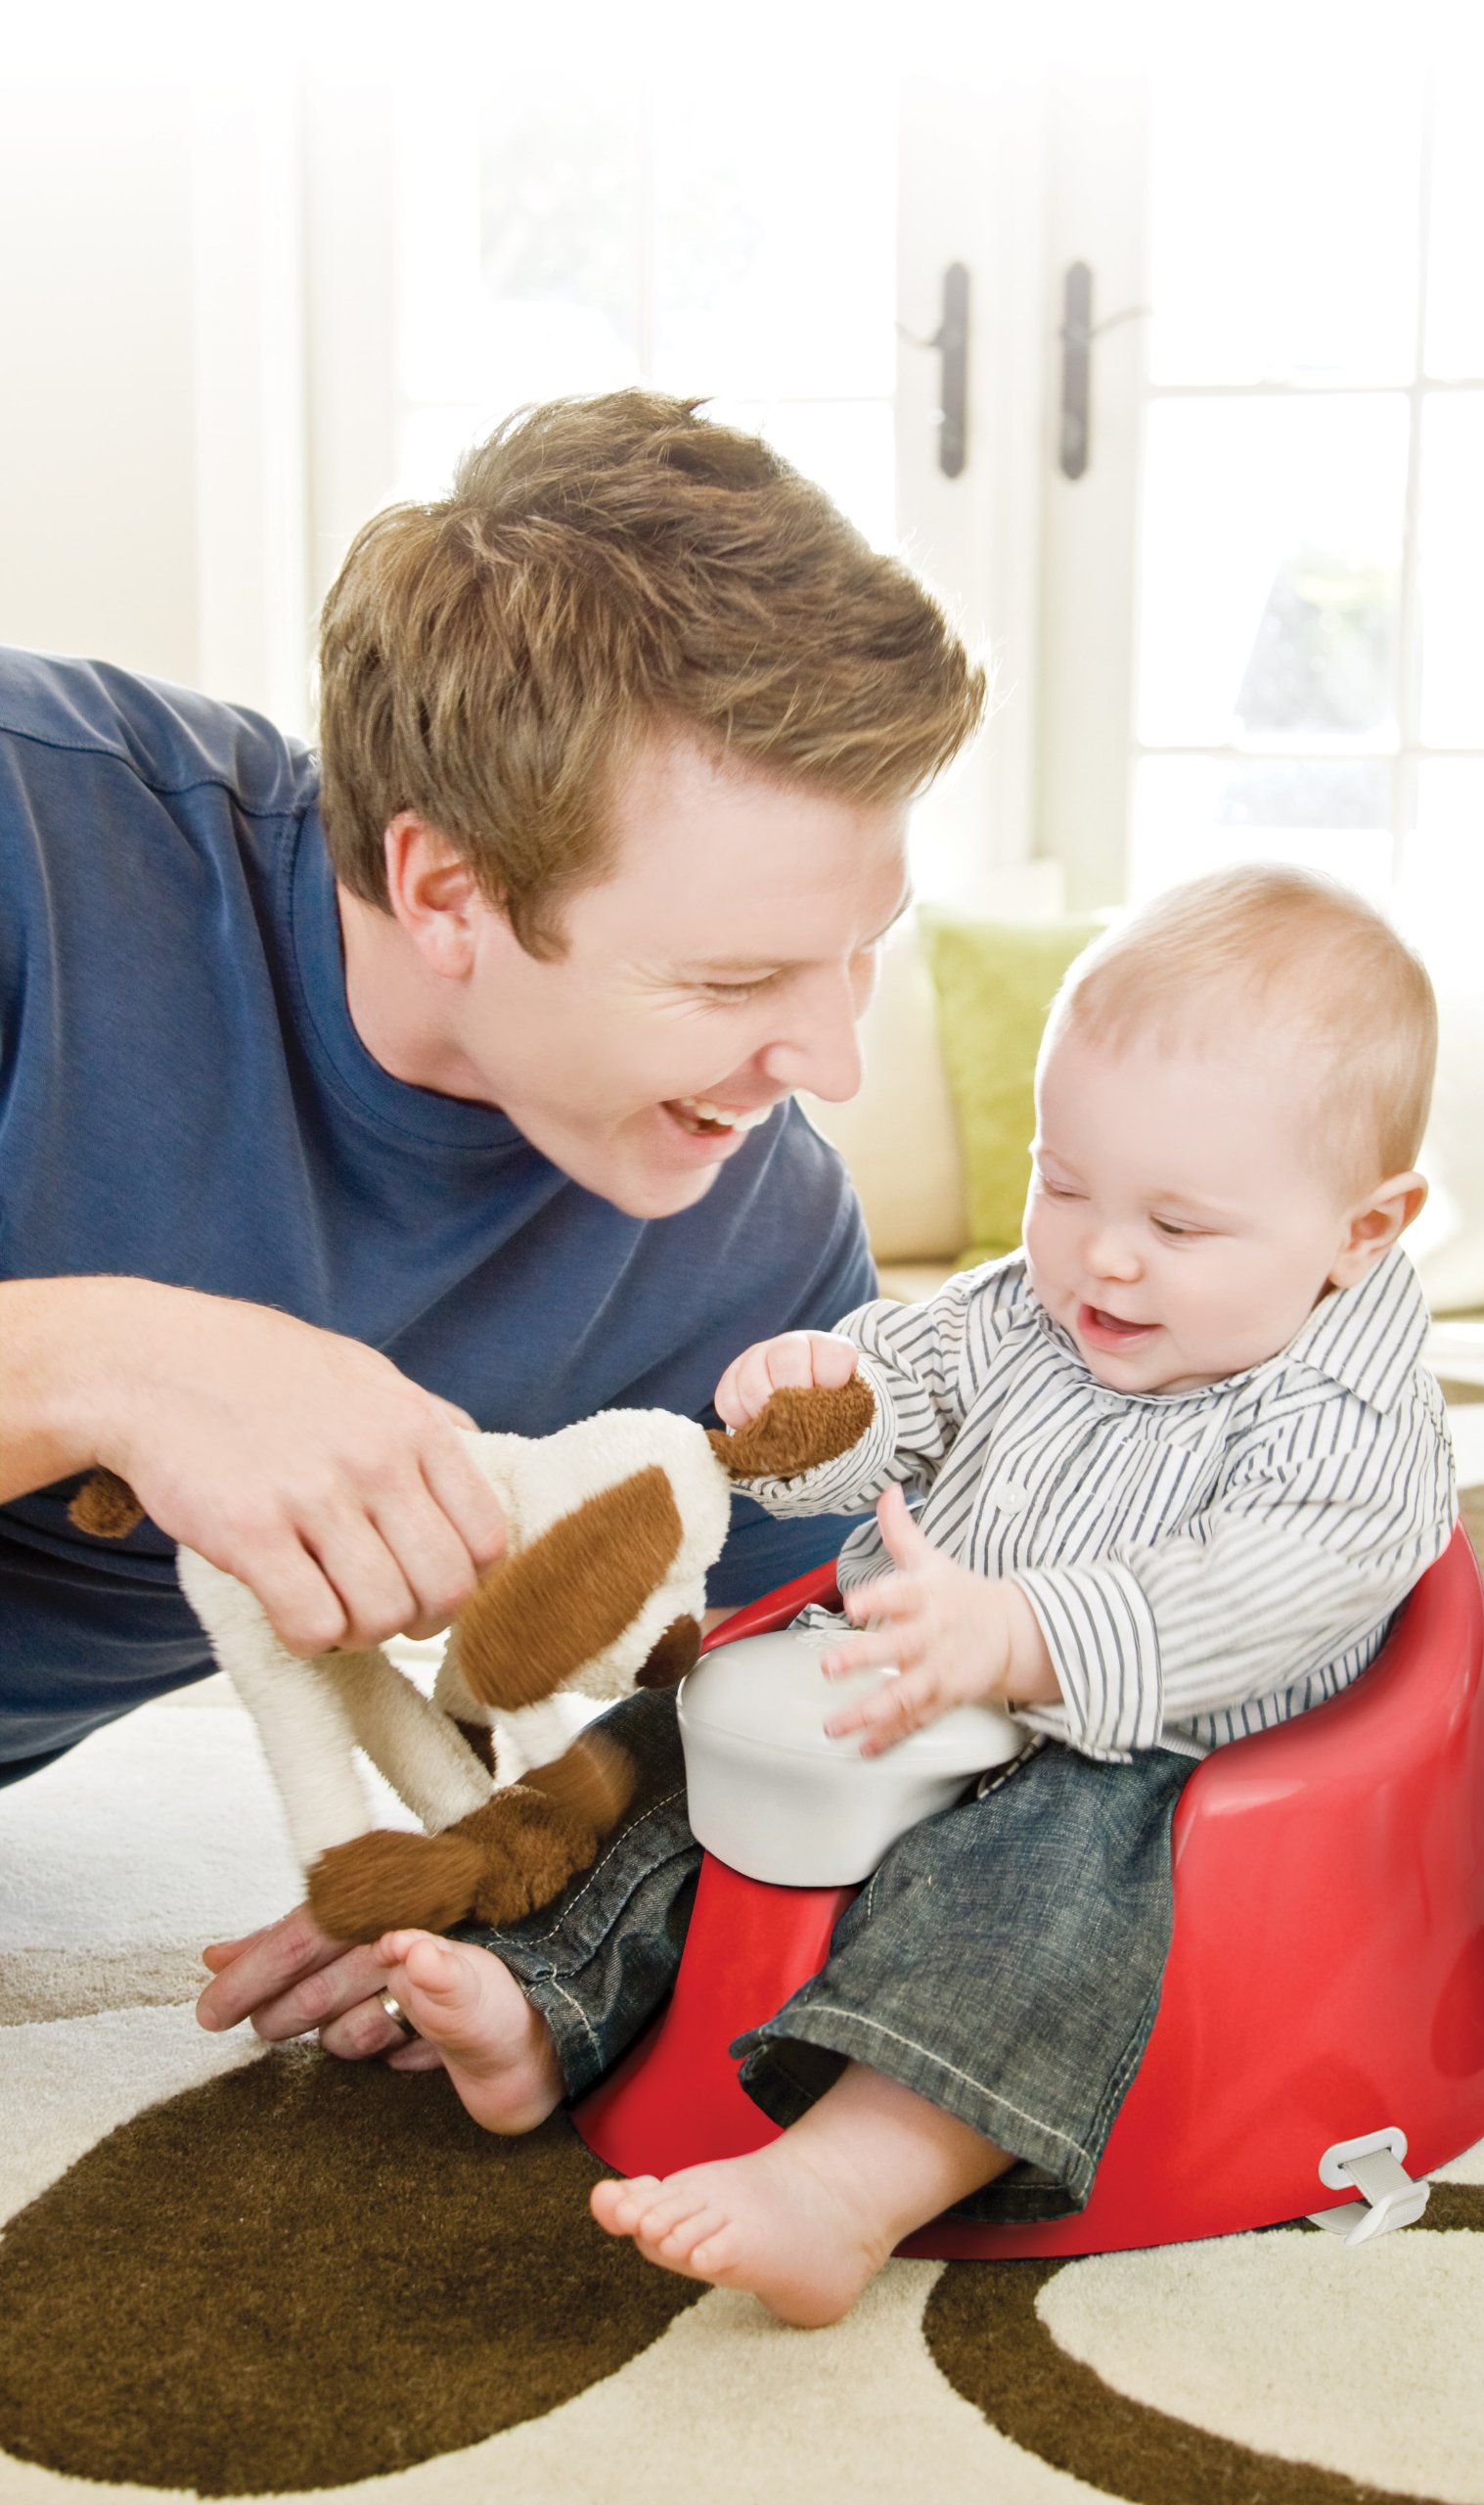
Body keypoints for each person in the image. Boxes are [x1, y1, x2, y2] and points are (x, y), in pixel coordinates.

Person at [0, 389, 984, 2050]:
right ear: (447, 891)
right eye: (732, 979)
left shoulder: (759, 1242)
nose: (831, 1062)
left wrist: (545, 1874)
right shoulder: (35, 836)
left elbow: (798, 1704)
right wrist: (109, 1362)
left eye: (861, 947)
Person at [355, 864, 1459, 2326]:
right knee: (668, 1744)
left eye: (1181, 1228)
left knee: (1024, 1899)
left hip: (1137, 1756)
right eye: (1063, 1183)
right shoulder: (1032, 1306)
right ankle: (541, 2005)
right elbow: (913, 1387)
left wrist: (1022, 1638)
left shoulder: (1352, 1426)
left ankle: (847, 2184)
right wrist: (824, 1403)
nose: (1102, 1253)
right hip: (910, 1672)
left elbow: (1263, 1589)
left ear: (1363, 1233)